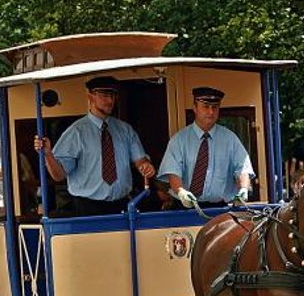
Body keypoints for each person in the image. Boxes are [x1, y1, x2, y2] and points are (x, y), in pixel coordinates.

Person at [33, 76, 155, 216]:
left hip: (122, 205)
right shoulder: (76, 132)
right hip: (86, 208)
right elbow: (59, 175)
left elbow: (140, 161)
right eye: (104, 95)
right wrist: (48, 154)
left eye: (113, 95)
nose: (110, 101)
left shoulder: (125, 130)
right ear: (90, 96)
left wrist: (146, 167)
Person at [158, 87, 254, 208]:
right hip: (184, 207)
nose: (211, 112)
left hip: (219, 208)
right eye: (206, 107)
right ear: (195, 108)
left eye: (215, 107)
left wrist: (243, 189)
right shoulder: (179, 140)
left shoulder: (230, 139)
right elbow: (173, 173)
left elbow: (242, 168)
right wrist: (181, 192)